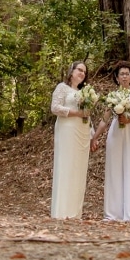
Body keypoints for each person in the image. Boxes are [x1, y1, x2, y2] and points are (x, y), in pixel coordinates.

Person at [91, 61, 130, 222]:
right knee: (114, 170)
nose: (124, 77)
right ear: (116, 78)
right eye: (121, 74)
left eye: (127, 74)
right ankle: (114, 213)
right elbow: (104, 119)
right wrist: (95, 137)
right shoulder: (113, 96)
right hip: (116, 134)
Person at [50, 60, 92, 219]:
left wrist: (92, 133)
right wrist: (76, 114)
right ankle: (62, 211)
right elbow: (55, 108)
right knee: (66, 166)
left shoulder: (85, 92)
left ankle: (75, 212)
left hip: (82, 132)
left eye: (84, 72)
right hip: (67, 130)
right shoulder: (62, 88)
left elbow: (87, 114)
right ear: (72, 71)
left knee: (78, 169)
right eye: (79, 70)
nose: (82, 73)